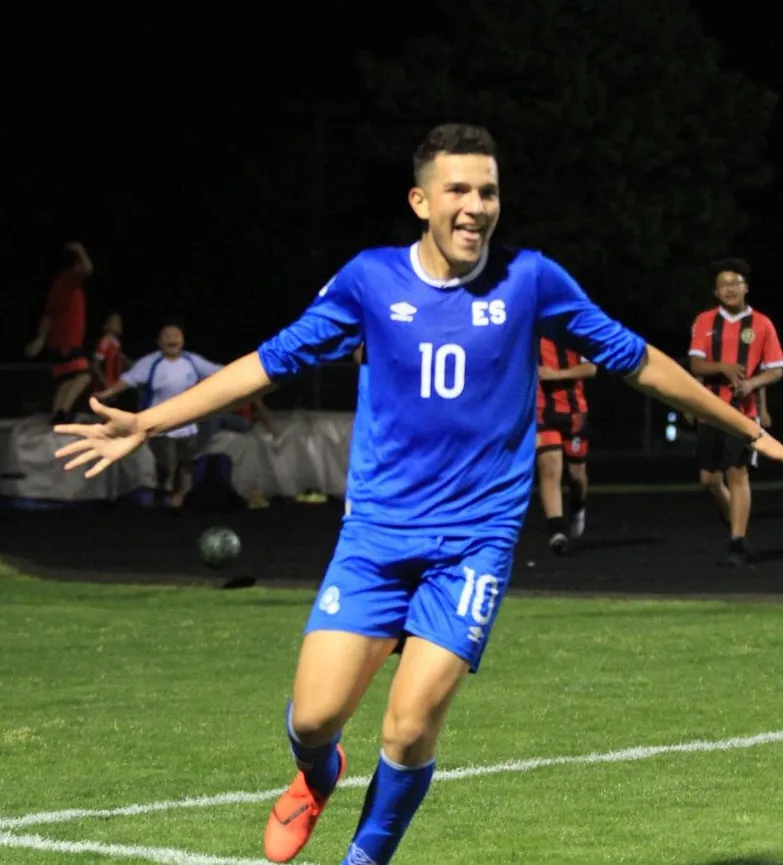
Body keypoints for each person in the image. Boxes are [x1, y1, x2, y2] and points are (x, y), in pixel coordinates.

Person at [52, 124, 783, 865]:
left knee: (407, 728)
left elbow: (638, 360)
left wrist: (748, 428)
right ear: (420, 201)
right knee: (312, 719)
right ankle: (317, 772)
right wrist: (148, 421)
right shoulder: (370, 279)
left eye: (488, 191)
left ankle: (364, 858)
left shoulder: (531, 279)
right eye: (458, 190)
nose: (475, 206)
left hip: (474, 542)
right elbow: (269, 362)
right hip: (376, 535)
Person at [689, 258, 783, 565]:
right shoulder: (704, 321)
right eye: (724, 284)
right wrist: (723, 368)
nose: (730, 289)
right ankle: (734, 521)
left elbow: (776, 369)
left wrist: (752, 384)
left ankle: (737, 542)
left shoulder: (762, 324)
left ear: (746, 288)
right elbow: (696, 365)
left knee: (737, 472)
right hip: (710, 410)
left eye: (735, 283)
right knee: (708, 480)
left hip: (743, 412)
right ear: (716, 292)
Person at [96, 322, 223, 507]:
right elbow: (129, 380)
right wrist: (106, 394)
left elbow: (219, 372)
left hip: (187, 424)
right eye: (167, 336)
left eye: (176, 335)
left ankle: (179, 501)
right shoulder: (151, 363)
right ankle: (162, 490)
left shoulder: (192, 361)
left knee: (186, 464)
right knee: (166, 464)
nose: (172, 340)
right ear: (159, 342)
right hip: (159, 425)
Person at [536, 337, 596, 554]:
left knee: (576, 476)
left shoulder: (575, 331)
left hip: (573, 414)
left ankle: (578, 507)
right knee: (550, 468)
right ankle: (557, 531)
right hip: (540, 411)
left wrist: (556, 375)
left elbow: (591, 369)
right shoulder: (529, 332)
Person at [25, 241, 94, 424]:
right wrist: (80, 250)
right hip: (68, 342)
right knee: (83, 375)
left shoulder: (57, 285)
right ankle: (62, 413)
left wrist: (40, 339)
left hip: (58, 343)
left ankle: (57, 414)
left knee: (67, 379)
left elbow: (48, 315)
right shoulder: (69, 280)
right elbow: (88, 269)